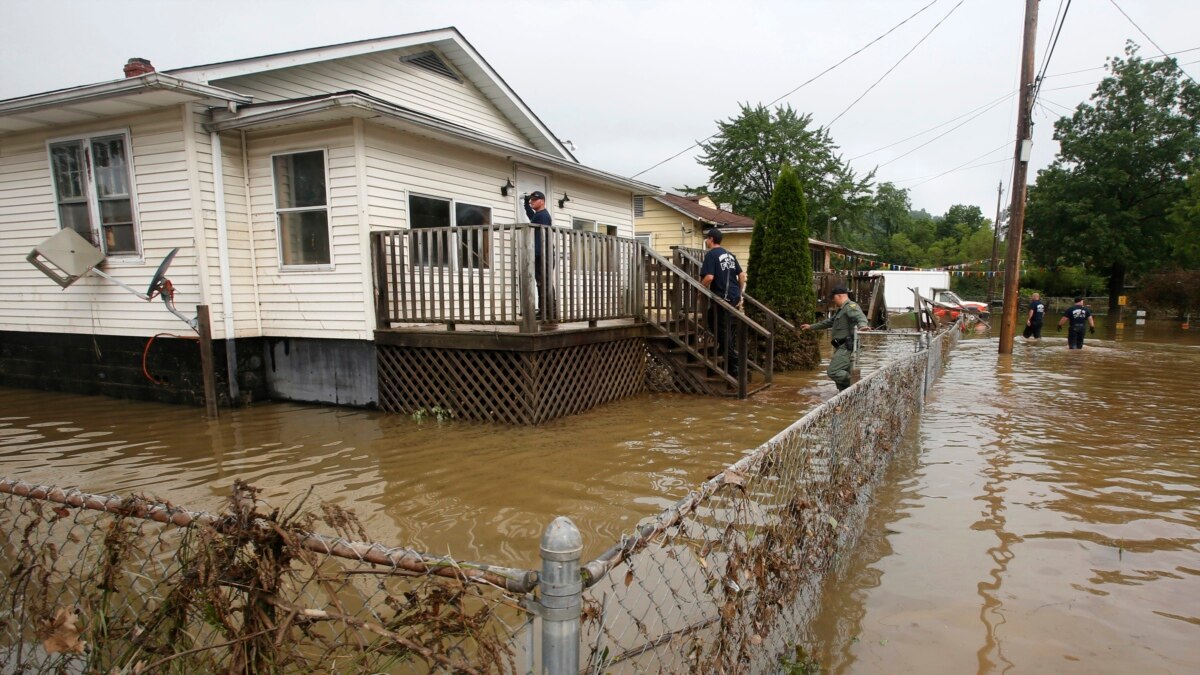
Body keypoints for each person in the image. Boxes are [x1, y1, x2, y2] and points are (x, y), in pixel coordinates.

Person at [801, 286, 870, 391]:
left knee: (833, 371)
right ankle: (848, 397)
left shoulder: (850, 306)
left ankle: (860, 385)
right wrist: (811, 327)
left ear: (839, 296)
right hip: (842, 346)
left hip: (847, 347)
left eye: (833, 298)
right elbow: (828, 322)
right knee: (841, 377)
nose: (833, 300)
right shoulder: (841, 310)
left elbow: (860, 317)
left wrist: (862, 326)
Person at [700, 228, 746, 375]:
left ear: (711, 239)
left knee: (722, 328)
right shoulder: (730, 255)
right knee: (712, 319)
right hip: (733, 297)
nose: (706, 241)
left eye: (707, 239)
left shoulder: (711, 255)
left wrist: (698, 288)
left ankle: (734, 365)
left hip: (722, 298)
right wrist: (740, 294)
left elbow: (709, 277)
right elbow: (742, 275)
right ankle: (722, 347)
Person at [522, 191, 552, 319]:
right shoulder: (538, 216)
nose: (531, 202)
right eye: (531, 200)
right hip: (542, 254)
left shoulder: (543, 216)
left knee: (543, 283)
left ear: (542, 201)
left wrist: (536, 254)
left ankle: (547, 311)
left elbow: (542, 237)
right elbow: (531, 216)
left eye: (534, 200)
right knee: (542, 282)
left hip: (543, 254)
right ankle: (546, 310)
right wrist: (526, 202)